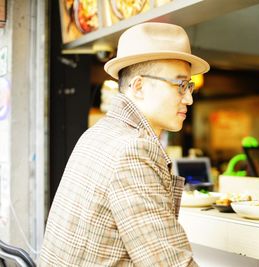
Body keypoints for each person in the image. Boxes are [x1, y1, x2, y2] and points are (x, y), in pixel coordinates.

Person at [39, 22, 209, 266]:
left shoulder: (97, 133)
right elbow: (169, 263)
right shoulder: (134, 149)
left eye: (189, 86)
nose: (190, 98)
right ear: (139, 86)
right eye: (181, 85)